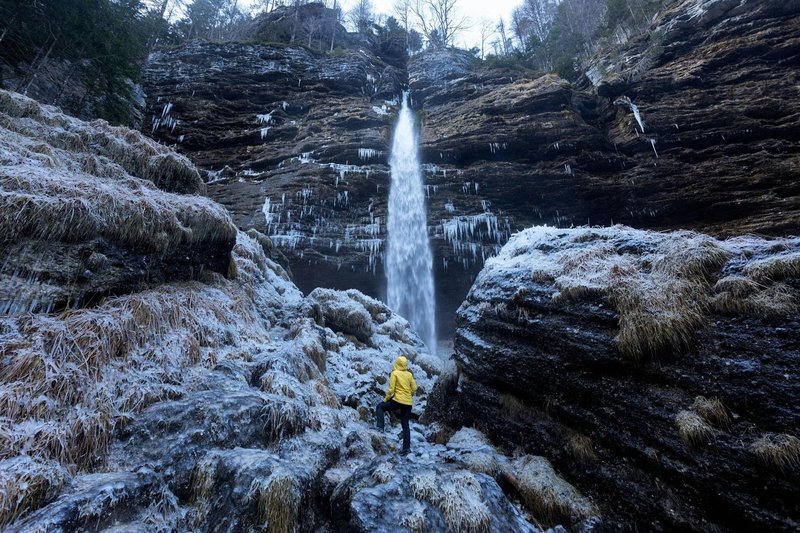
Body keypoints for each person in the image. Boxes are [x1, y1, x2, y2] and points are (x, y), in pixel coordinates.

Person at [375, 355, 417, 455]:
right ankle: (406, 448)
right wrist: (409, 393)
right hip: (408, 403)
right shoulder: (409, 374)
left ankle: (380, 427)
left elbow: (391, 389)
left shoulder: (394, 373)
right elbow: (415, 388)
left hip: (397, 401)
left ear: (397, 363)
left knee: (380, 407)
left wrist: (385, 399)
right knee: (405, 425)